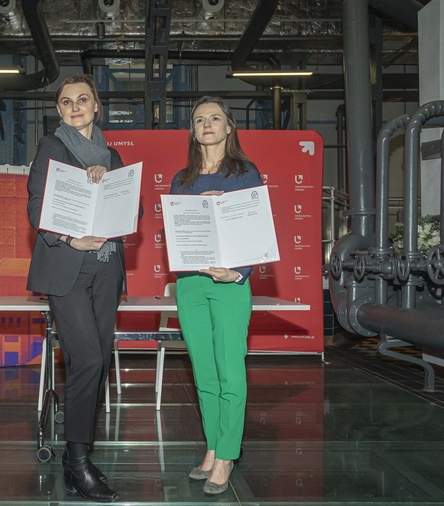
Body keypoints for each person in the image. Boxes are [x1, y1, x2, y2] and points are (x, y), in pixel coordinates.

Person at [26, 75, 125, 503]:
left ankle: (78, 457)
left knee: (98, 361)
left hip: (105, 270)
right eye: (66, 102)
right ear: (60, 111)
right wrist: (70, 238)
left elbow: (131, 207)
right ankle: (78, 463)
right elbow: (36, 206)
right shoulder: (52, 147)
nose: (75, 106)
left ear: (96, 106)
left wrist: (107, 180)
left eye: (83, 99)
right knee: (85, 359)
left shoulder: (112, 154)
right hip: (66, 268)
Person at [169, 96, 263, 495]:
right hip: (190, 282)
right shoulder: (182, 180)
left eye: (215, 118)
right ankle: (212, 447)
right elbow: (175, 233)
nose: (207, 124)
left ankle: (227, 455)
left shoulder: (245, 173)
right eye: (199, 119)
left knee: (230, 371)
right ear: (193, 130)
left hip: (230, 283)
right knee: (204, 373)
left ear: (229, 127)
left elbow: (257, 232)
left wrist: (237, 272)